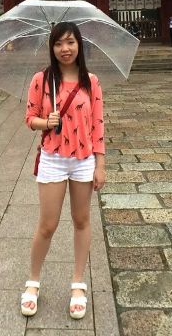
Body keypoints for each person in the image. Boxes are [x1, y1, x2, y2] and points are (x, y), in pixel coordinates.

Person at [21, 21, 106, 320]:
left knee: (82, 221)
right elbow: (29, 117)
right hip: (53, 158)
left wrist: (100, 164)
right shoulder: (41, 80)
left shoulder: (91, 81)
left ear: (79, 44)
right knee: (47, 224)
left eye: (70, 42)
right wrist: (47, 122)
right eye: (58, 44)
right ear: (51, 47)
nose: (65, 49)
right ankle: (33, 282)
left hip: (83, 159)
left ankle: (78, 284)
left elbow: (98, 125)